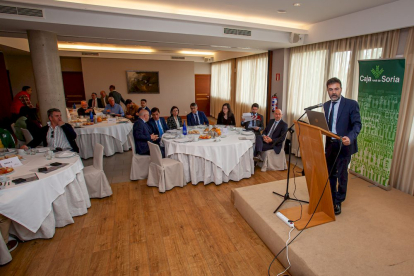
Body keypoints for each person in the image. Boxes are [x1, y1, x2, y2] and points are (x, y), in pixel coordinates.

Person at [323, 77, 361, 215]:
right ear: (327, 90)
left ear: (341, 89)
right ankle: (332, 198)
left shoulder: (351, 104)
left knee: (342, 175)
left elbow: (357, 124)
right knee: (330, 173)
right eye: (331, 89)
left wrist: (350, 138)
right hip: (330, 145)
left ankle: (339, 200)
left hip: (344, 145)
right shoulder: (326, 105)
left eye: (336, 89)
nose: (334, 92)